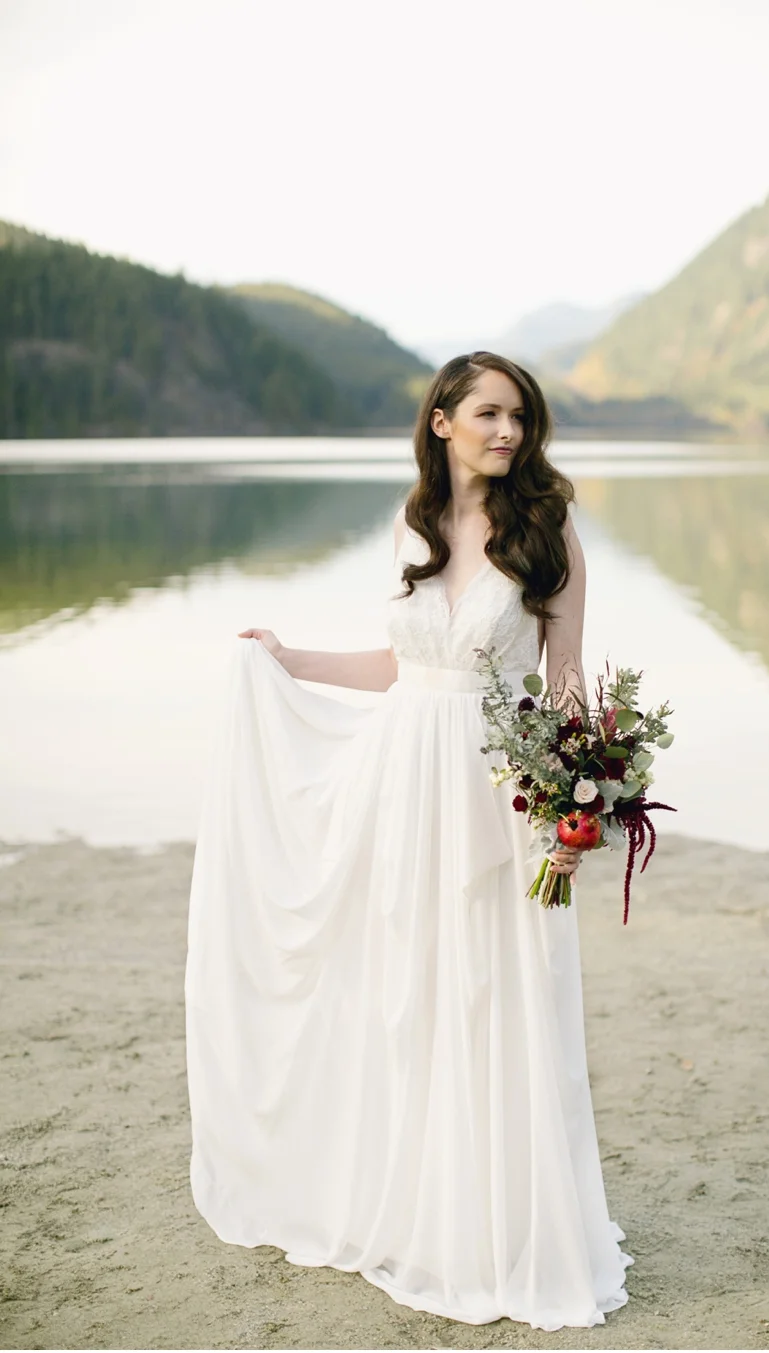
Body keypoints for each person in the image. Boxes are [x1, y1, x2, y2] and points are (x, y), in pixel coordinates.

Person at [184, 351, 633, 1332]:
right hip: (403, 783)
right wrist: (289, 659)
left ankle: (501, 1231)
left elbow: (563, 681)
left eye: (519, 416)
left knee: (498, 995)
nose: (507, 431)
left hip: (499, 789)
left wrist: (574, 809)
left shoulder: (548, 528)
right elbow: (402, 664)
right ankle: (423, 1212)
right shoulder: (415, 522)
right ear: (441, 421)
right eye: (488, 413)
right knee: (413, 995)